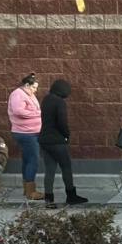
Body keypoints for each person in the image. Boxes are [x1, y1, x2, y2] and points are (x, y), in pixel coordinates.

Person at [39, 78, 87, 207]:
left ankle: (49, 199)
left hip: (44, 139)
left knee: (49, 169)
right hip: (57, 140)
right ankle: (71, 195)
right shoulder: (59, 102)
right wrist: (66, 135)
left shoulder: (46, 99)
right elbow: (62, 122)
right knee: (66, 167)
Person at [7, 73, 44, 200]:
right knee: (33, 160)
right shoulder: (18, 94)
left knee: (27, 160)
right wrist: (38, 113)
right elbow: (19, 111)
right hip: (26, 133)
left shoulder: (28, 94)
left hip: (30, 132)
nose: (35, 90)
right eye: (34, 87)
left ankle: (26, 188)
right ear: (27, 85)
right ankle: (30, 191)